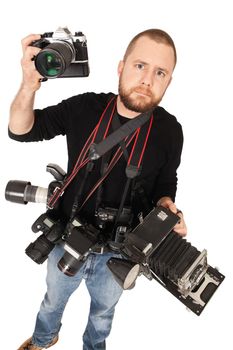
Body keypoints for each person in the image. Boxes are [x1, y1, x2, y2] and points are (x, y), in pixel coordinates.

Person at [9, 28, 187, 350]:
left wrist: (167, 205)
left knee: (103, 313)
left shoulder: (170, 130)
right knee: (52, 302)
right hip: (66, 238)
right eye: (139, 66)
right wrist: (29, 83)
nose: (147, 79)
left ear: (169, 81)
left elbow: (166, 181)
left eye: (160, 72)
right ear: (121, 67)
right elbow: (22, 130)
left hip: (120, 251)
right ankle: (43, 339)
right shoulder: (85, 108)